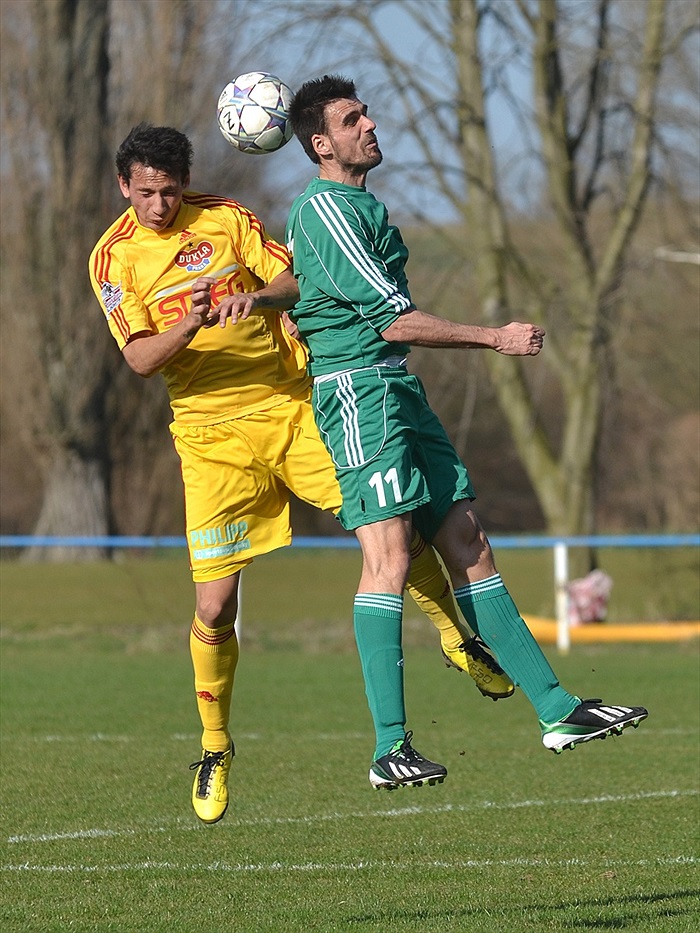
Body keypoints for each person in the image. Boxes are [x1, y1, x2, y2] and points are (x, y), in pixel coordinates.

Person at [88, 123, 513, 824]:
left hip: (290, 408)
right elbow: (138, 359)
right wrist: (191, 325)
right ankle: (216, 747)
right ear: (123, 186)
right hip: (208, 437)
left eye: (170, 191)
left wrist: (255, 299)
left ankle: (456, 637)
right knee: (214, 606)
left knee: (389, 527)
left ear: (184, 182)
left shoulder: (226, 218)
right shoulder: (113, 258)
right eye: (146, 194)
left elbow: (294, 278)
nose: (160, 205)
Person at [284, 75, 648, 790]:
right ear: (320, 143)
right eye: (353, 118)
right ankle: (390, 744)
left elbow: (327, 296)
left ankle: (557, 706)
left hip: (396, 387)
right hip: (359, 392)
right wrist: (495, 337)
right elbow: (389, 319)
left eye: (367, 112)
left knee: (467, 539)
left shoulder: (358, 205)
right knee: (387, 556)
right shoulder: (325, 209)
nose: (370, 123)